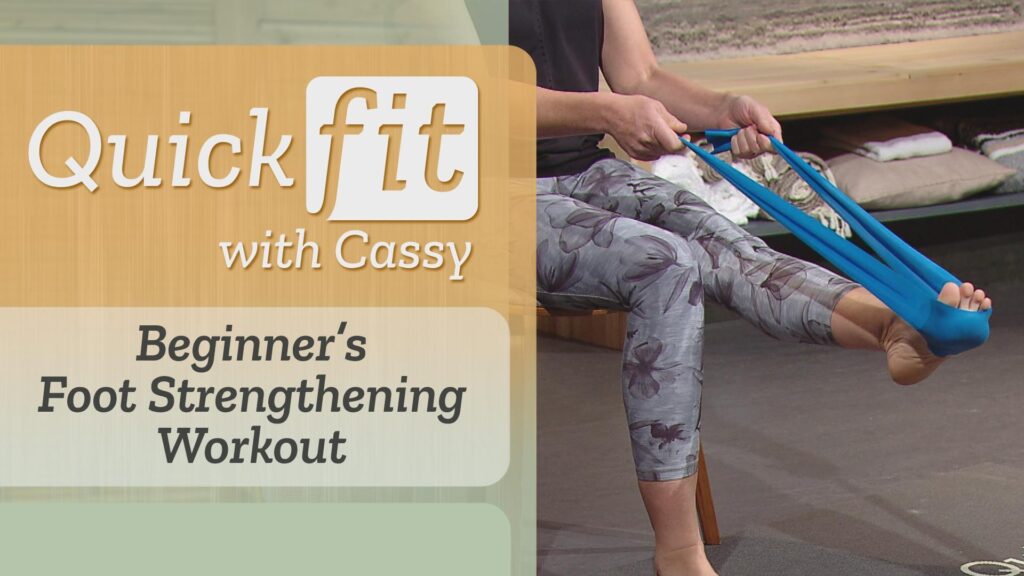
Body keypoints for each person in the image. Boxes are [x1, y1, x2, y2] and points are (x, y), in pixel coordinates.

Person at [511, 1, 993, 575]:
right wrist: (609, 112)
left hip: (586, 171)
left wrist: (724, 108)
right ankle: (680, 554)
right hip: (466, 187)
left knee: (722, 240)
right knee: (664, 265)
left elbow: (639, 77)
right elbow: (453, 95)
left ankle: (896, 329)